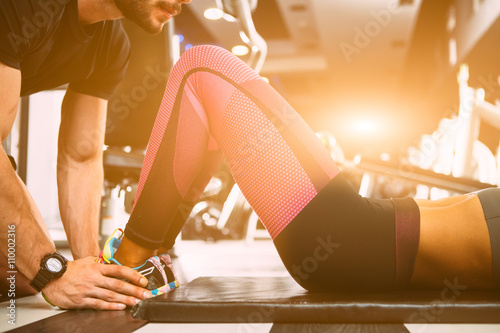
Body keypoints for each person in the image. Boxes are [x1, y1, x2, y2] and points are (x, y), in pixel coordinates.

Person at [93, 44, 497, 309]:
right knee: (205, 86)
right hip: (361, 235)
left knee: (200, 68)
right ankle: (146, 263)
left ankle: (125, 265)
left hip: (354, 240)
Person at [0, 0, 191, 310]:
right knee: (28, 268)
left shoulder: (113, 47)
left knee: (18, 277)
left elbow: (81, 157)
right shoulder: (25, 6)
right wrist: (52, 274)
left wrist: (94, 271)